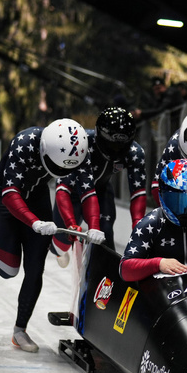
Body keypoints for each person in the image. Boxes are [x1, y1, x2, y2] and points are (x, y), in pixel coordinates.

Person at [0, 118, 89, 353]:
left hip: (37, 196)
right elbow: (11, 194)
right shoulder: (24, 143)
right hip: (5, 197)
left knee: (35, 267)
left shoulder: (77, 149)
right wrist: (34, 223)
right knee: (8, 270)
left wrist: (74, 224)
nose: (62, 172)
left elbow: (77, 191)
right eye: (59, 167)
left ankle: (19, 330)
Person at [51, 106, 145, 262]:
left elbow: (138, 193)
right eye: (111, 145)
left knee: (105, 233)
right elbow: (62, 188)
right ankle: (60, 251)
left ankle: (108, 274)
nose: (116, 150)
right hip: (73, 194)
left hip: (101, 192)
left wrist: (138, 226)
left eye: (121, 146)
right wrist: (70, 223)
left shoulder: (135, 153)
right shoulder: (80, 144)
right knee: (60, 244)